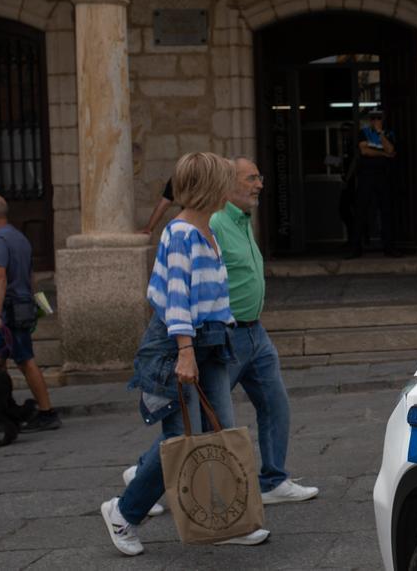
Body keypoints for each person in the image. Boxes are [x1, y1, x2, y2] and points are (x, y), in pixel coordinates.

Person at [100, 152, 268, 556]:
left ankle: (227, 520)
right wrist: (185, 353)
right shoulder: (180, 234)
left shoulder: (207, 229)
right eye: (226, 181)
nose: (234, 188)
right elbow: (177, 301)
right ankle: (124, 513)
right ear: (211, 188)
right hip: (179, 344)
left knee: (222, 431)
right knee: (179, 438)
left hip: (211, 341)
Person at [209, 156, 319, 504]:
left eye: (260, 177)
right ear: (228, 184)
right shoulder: (214, 223)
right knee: (201, 416)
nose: (259, 184)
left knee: (275, 403)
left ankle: (273, 481)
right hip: (227, 336)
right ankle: (145, 474)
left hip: (256, 334)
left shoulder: (242, 220)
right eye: (251, 178)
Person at [0, 195, 60, 432]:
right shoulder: (19, 237)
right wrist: (35, 304)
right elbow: (29, 274)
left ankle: (47, 412)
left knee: (25, 360)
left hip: (10, 309)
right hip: (21, 305)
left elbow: (0, 276)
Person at [348, 107, 401, 257]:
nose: (375, 121)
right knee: (360, 211)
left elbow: (391, 150)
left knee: (386, 211)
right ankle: (355, 248)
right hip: (366, 176)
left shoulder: (389, 133)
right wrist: (383, 153)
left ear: (383, 119)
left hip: (383, 176)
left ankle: (389, 248)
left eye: (378, 117)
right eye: (373, 118)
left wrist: (380, 134)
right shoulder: (363, 132)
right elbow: (365, 151)